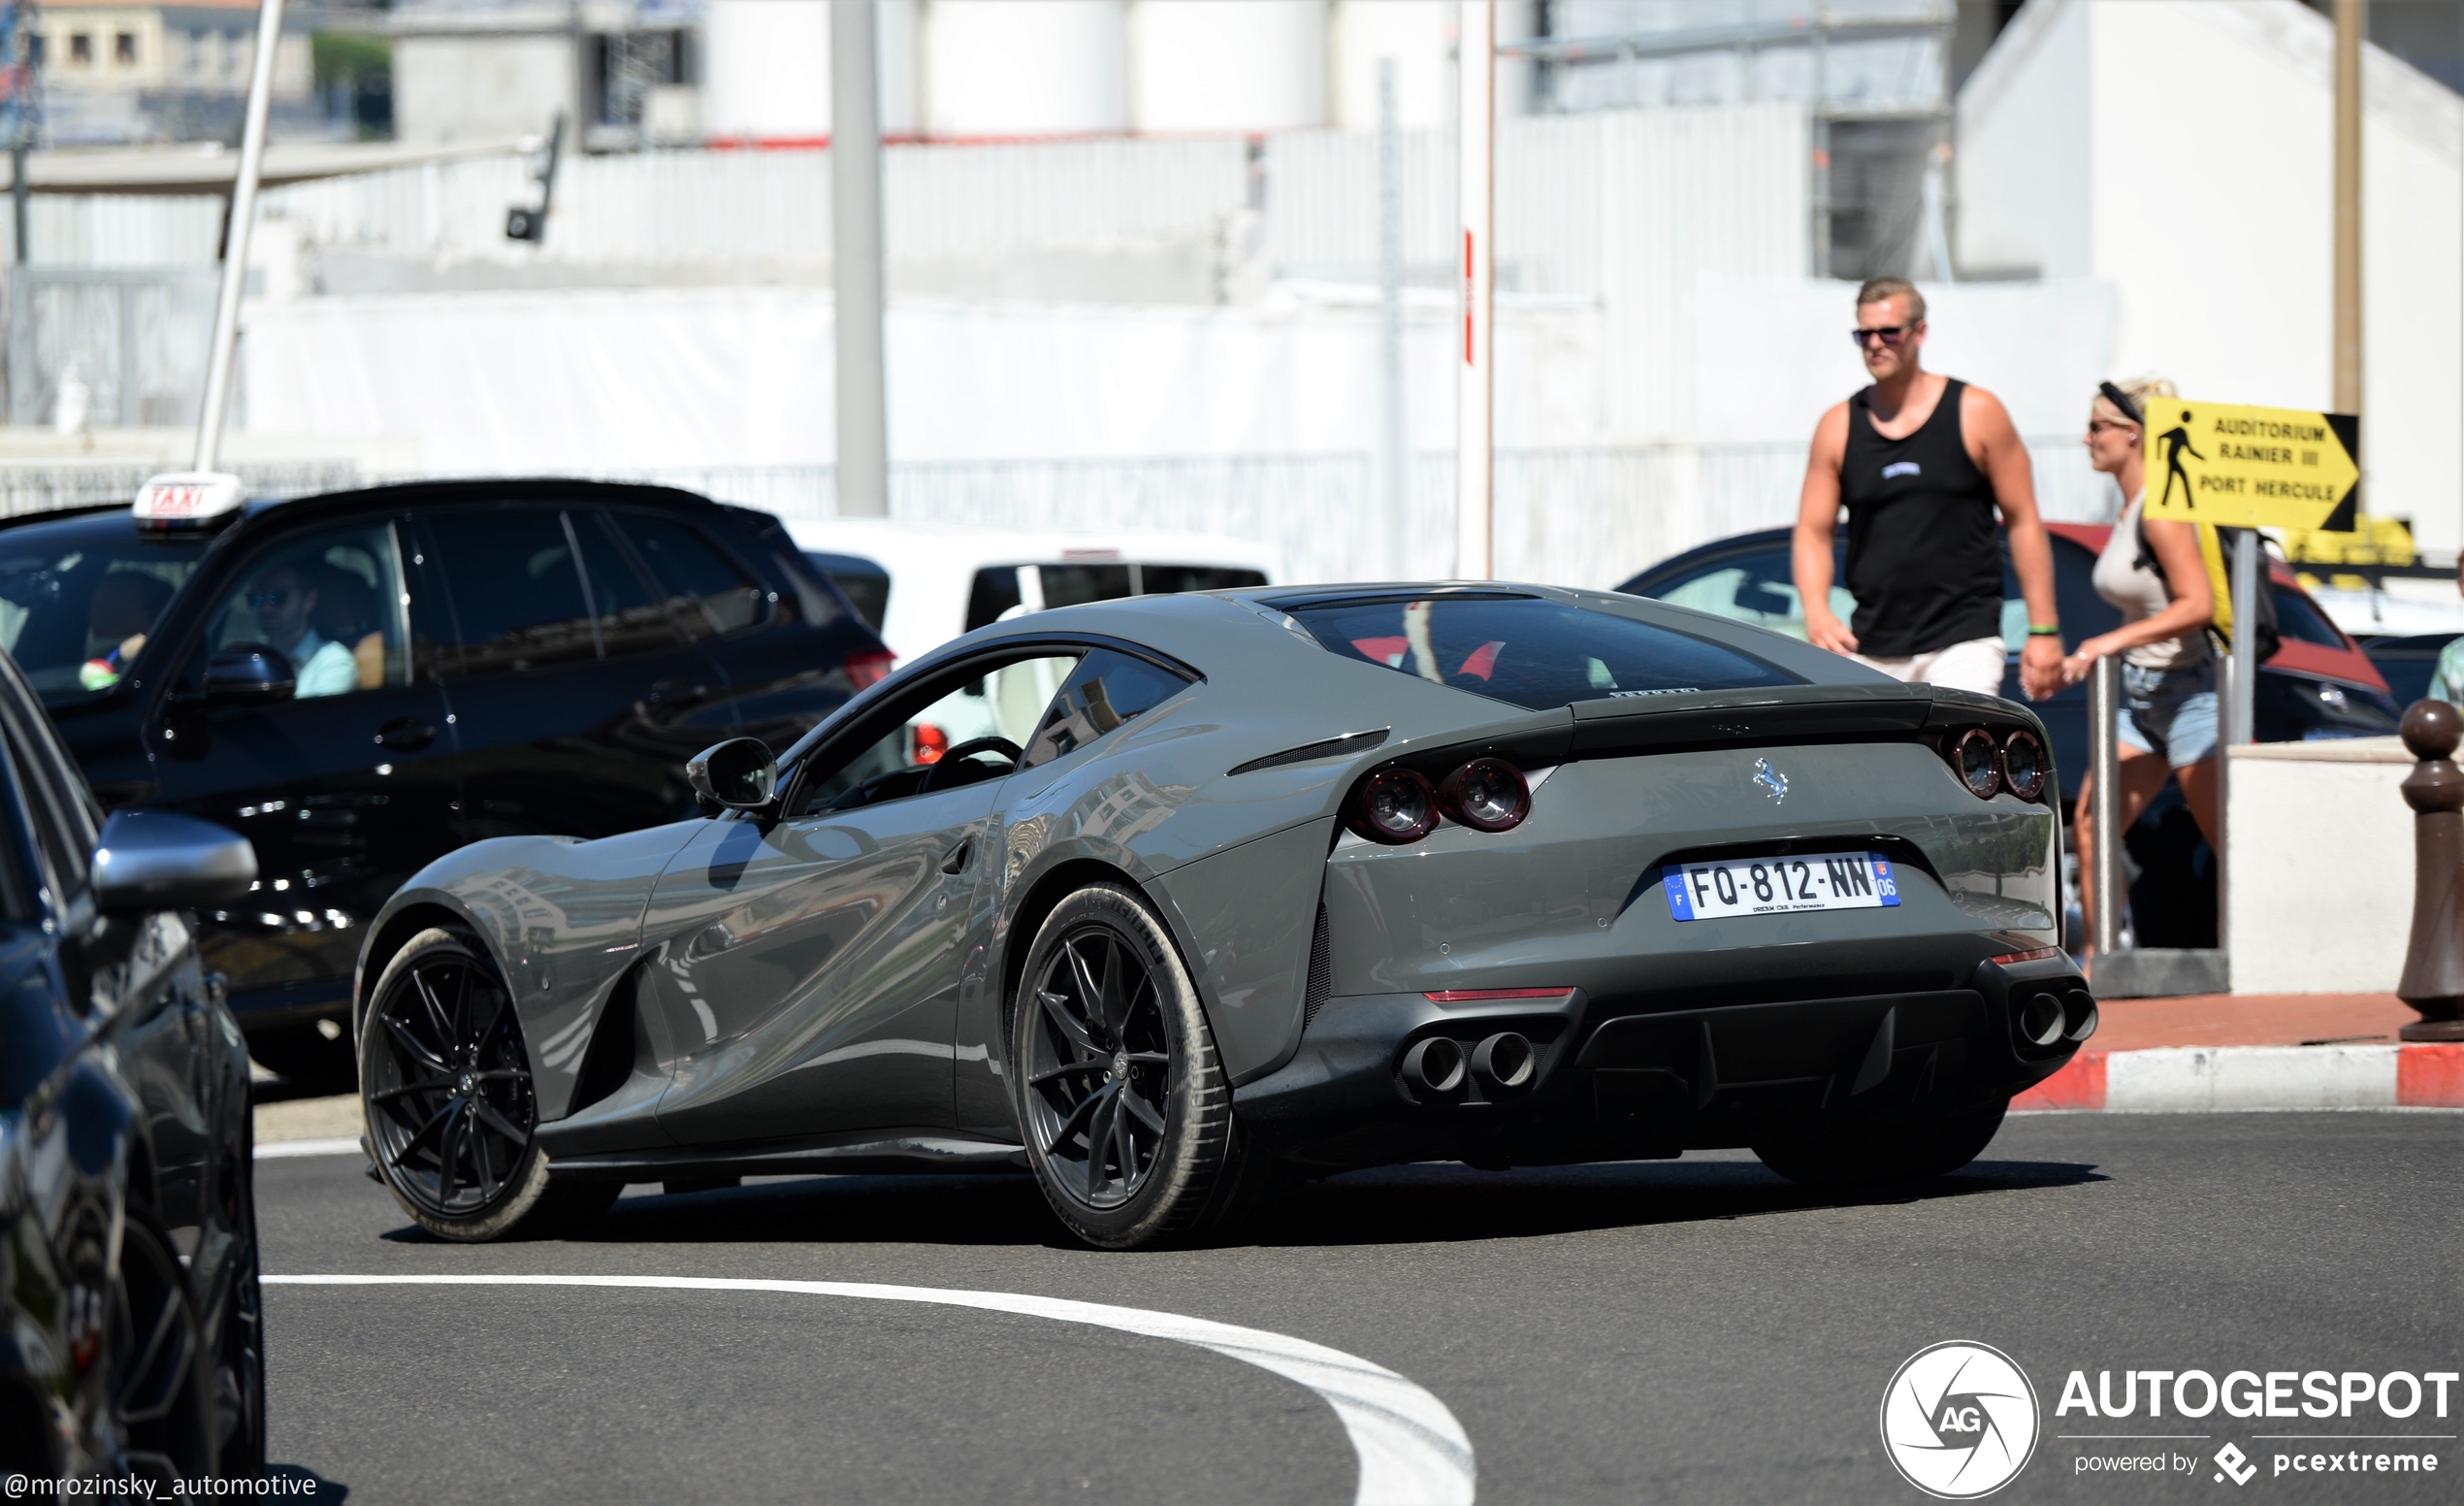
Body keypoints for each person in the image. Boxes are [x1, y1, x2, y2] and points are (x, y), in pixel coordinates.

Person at [1794, 278, 2065, 701]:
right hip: (1872, 646)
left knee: (1953, 761)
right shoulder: (1839, 425)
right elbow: (1813, 531)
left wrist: (2043, 629)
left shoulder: (1976, 412)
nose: (1875, 344)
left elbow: (2023, 519)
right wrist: (1816, 611)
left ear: (1919, 333)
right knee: (1880, 768)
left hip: (1963, 641)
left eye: (1889, 332)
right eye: (1864, 334)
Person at [2059, 377, 2219, 953]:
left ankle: (2266, 971)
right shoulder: (2129, 507)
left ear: (2133, 434)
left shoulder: (2160, 509)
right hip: (2143, 696)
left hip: (2194, 694)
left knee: (2229, 841)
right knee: (2092, 827)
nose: (2086, 438)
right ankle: (2110, 969)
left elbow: (2196, 604)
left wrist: (2107, 642)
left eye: (2098, 426)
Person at [248, 563, 360, 698]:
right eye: (256, 598)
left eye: (277, 597)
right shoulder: (252, 661)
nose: (266, 608)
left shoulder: (333, 663)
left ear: (309, 600)